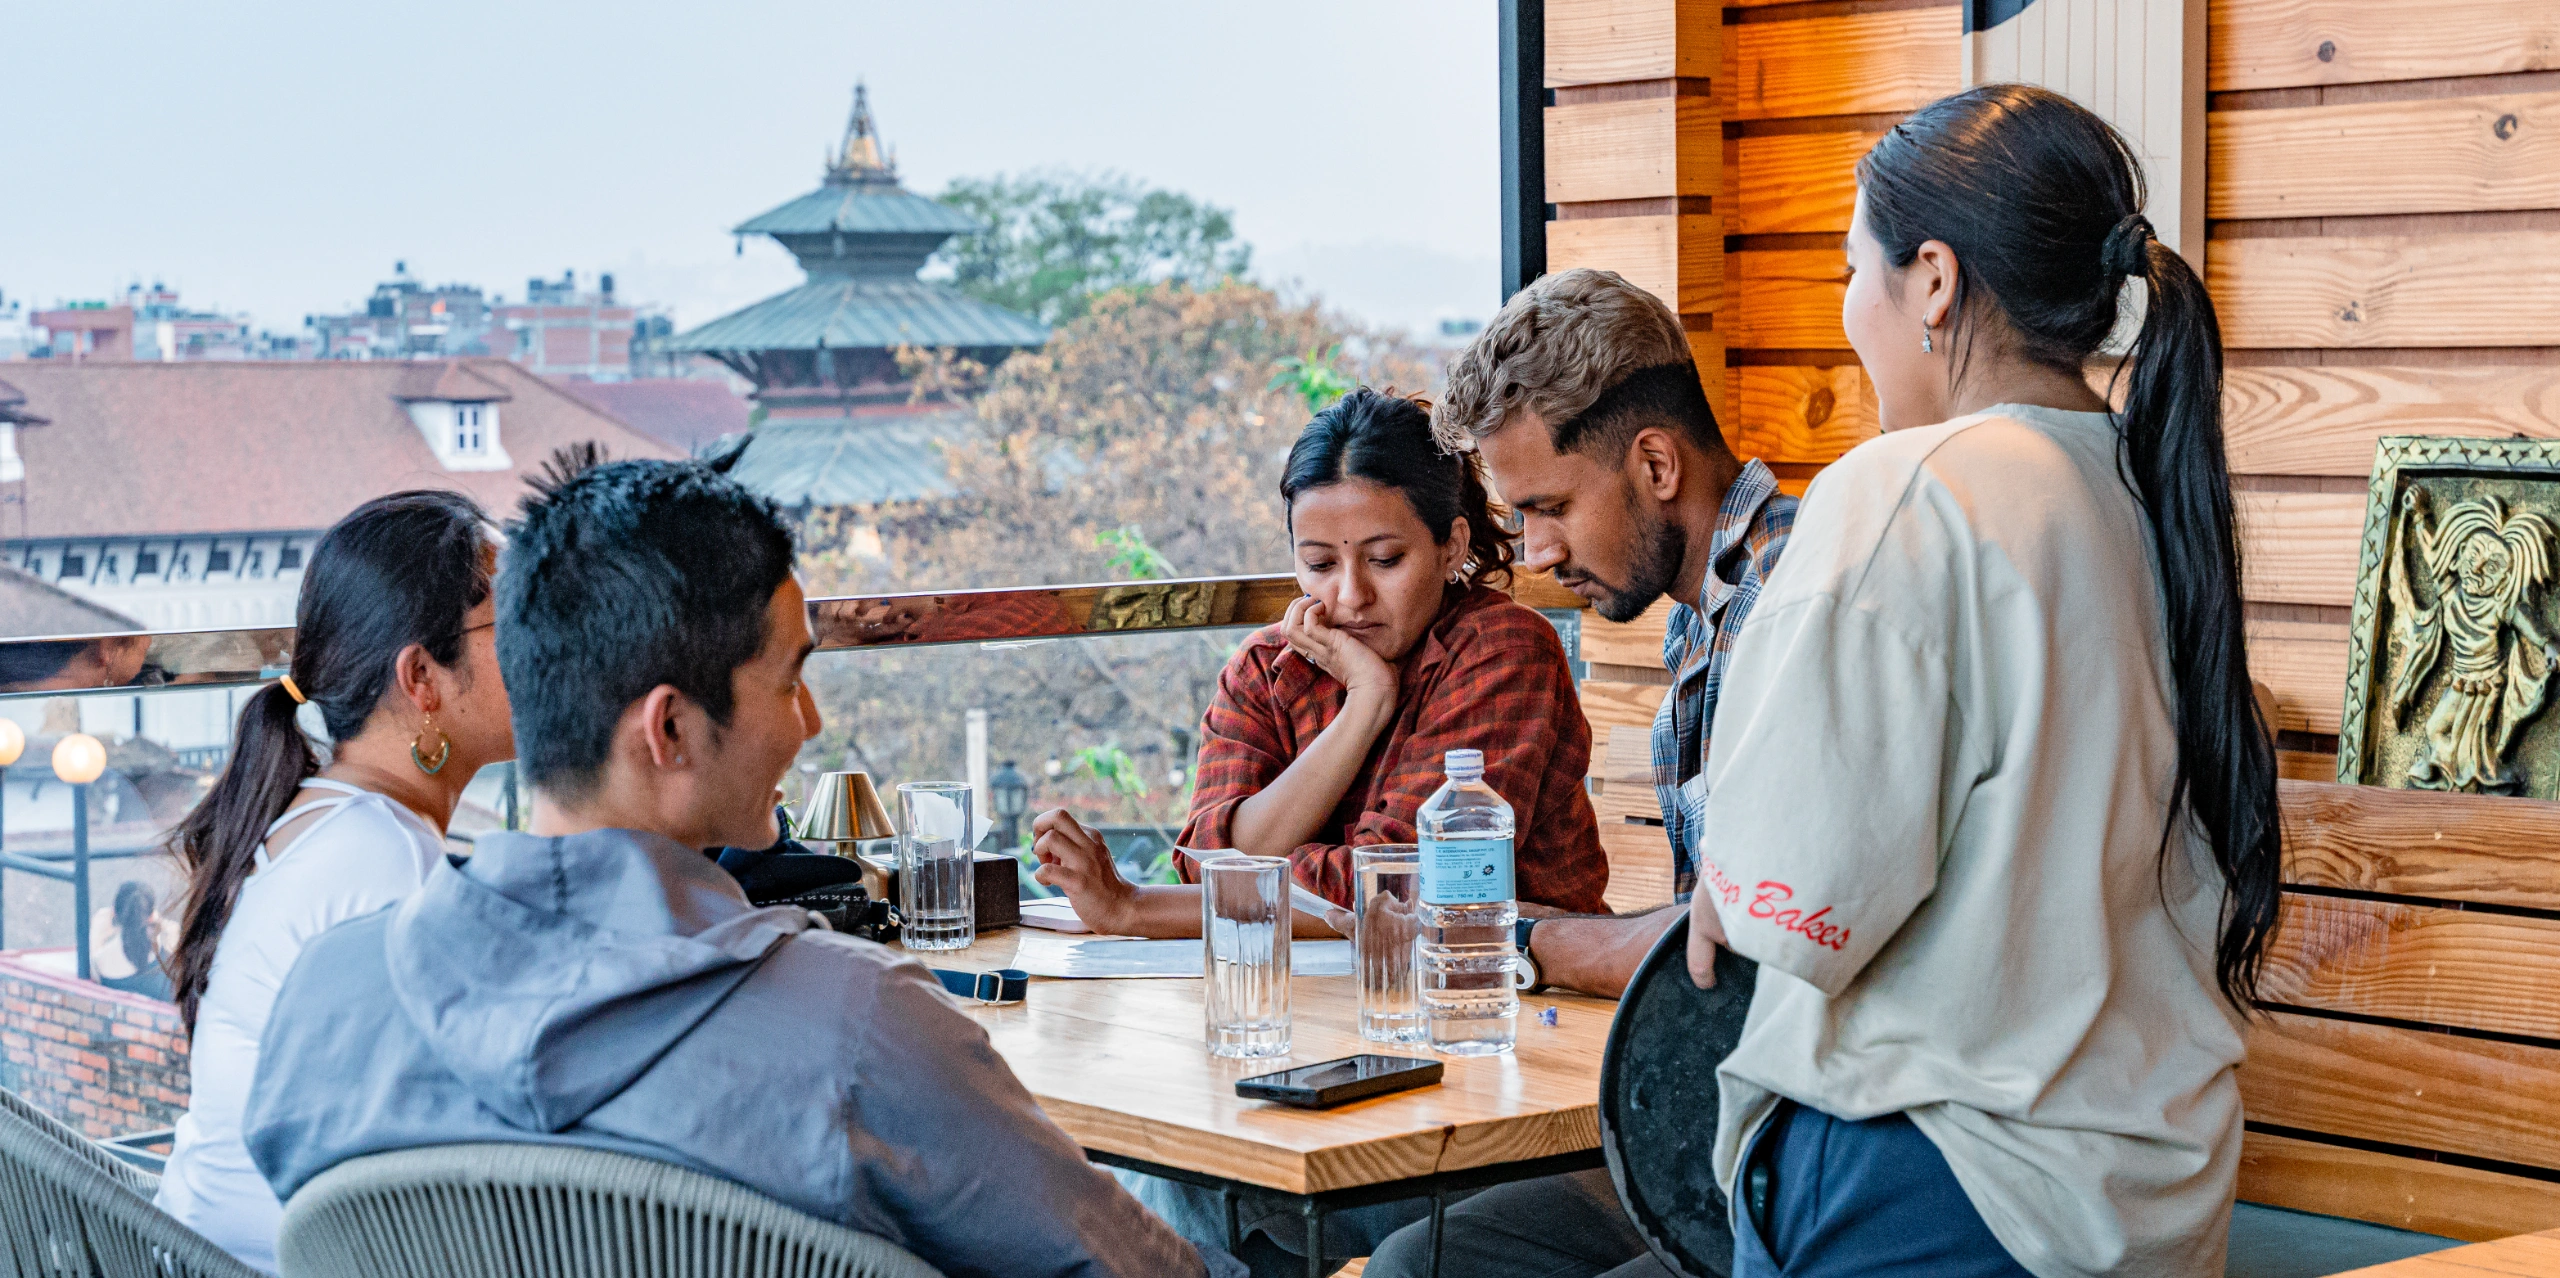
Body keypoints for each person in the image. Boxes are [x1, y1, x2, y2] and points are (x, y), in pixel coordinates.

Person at [241, 457, 1237, 1278]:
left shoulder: (327, 998)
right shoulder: (857, 1025)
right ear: (669, 729)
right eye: (791, 677)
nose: (812, 721)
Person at [1679, 84, 2281, 1277]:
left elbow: (1795, 909)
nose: (1850, 310)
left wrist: (1735, 878)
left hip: (1935, 1175)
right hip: (2142, 1193)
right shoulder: (2147, 492)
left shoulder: (1906, 488)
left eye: (1852, 272)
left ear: (1934, 282)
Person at [1367, 267, 1809, 1278]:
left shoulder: (1790, 606)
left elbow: (1749, 941)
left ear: (1654, 462)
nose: (1535, 550)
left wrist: (1526, 939)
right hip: (1723, 1121)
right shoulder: (1707, 613)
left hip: (1795, 1152)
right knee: (1422, 1263)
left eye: (1550, 506)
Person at [1031, 387, 1611, 943]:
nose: (1352, 596)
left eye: (1386, 559)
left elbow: (1405, 888)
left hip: (1508, 982)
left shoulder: (1502, 651)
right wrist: (1366, 704)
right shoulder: (1265, 668)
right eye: (1320, 564)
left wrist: (1141, 904)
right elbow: (1206, 861)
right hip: (1314, 989)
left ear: (1452, 546)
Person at [152, 490, 508, 1273]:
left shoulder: (325, 812)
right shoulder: (387, 862)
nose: (551, 644)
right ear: (422, 677)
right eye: (515, 622)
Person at [89, 879, 176, 1001]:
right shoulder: (168, 943)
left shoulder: (100, 961)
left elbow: (90, 975)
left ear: (114, 912)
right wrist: (159, 922)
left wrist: (96, 932)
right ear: (152, 915)